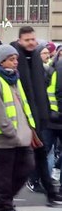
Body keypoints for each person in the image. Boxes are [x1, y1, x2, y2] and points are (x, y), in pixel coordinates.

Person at [11, 26, 62, 205]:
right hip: (22, 120)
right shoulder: (15, 59)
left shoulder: (35, 59)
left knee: (39, 157)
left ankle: (50, 192)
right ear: (19, 41)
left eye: (33, 39)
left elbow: (40, 90)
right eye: (27, 40)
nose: (32, 42)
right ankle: (1, 197)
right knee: (19, 164)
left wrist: (45, 113)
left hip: (38, 119)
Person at [0, 44, 36, 211]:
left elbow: (22, 105)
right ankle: (4, 207)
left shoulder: (14, 78)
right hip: (5, 137)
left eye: (16, 59)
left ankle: (2, 200)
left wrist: (29, 129)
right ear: (1, 61)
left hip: (21, 135)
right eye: (11, 59)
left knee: (27, 167)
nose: (15, 63)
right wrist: (10, 133)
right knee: (5, 175)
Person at [43, 45, 62, 197]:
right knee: (45, 151)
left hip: (54, 117)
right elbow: (52, 91)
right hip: (53, 118)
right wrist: (54, 110)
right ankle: (40, 181)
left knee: (47, 151)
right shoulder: (57, 67)